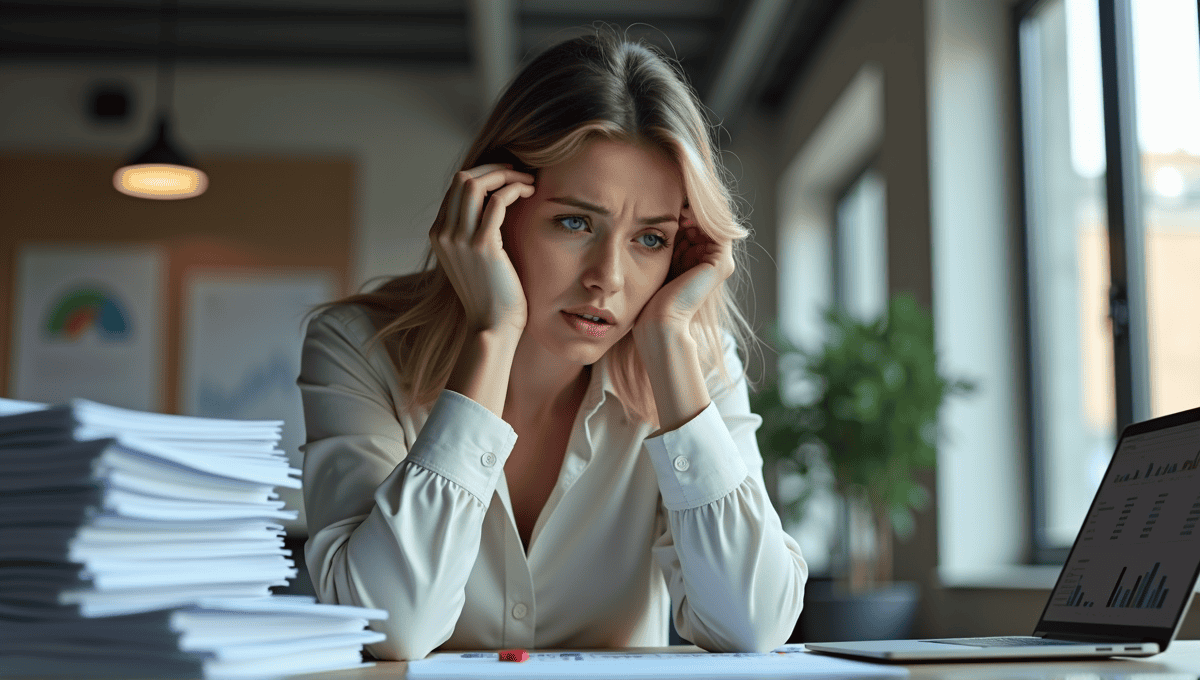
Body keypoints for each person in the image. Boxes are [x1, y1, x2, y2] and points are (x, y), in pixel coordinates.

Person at [298, 27, 808, 661]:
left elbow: (754, 624)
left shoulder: (690, 364)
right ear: (492, 208)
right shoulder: (358, 347)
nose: (608, 278)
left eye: (650, 239)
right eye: (575, 222)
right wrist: (492, 332)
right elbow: (390, 626)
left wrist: (671, 348)